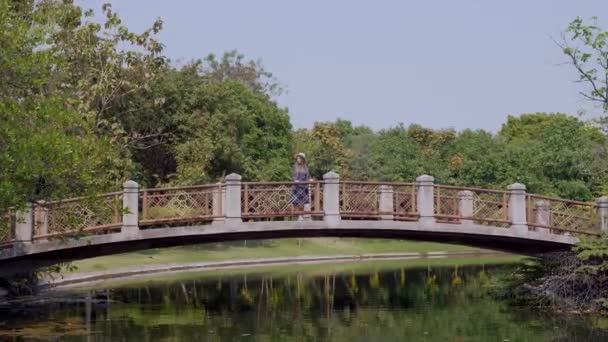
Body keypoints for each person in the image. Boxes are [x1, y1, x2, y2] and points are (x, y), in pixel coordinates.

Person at [290, 152, 311, 217]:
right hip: (296, 187)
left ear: (303, 159)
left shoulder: (305, 168)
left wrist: (310, 180)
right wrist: (295, 180)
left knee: (302, 203)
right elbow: (292, 176)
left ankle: (301, 217)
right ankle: (296, 218)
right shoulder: (294, 166)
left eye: (300, 158)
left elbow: (308, 177)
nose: (298, 159)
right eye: (298, 158)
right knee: (295, 203)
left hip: (304, 187)